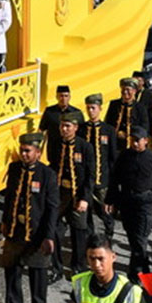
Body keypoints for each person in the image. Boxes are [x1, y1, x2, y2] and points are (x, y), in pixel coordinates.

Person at [0, 133, 59, 303]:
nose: (23, 154)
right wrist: (5, 220)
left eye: (27, 151)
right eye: (22, 150)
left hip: (37, 234)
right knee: (12, 270)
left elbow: (52, 207)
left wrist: (48, 236)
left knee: (38, 273)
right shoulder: (14, 169)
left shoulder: (47, 175)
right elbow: (9, 197)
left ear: (38, 153)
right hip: (15, 230)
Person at [105, 126, 152, 282]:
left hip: (144, 203)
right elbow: (114, 179)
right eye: (132, 140)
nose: (134, 144)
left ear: (146, 141)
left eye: (138, 140)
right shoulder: (124, 156)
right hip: (126, 201)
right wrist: (110, 199)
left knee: (140, 239)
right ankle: (144, 269)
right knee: (133, 238)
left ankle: (134, 275)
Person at [71, 234, 150, 303]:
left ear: (113, 257)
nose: (96, 265)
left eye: (101, 259)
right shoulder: (80, 284)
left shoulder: (133, 292)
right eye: (92, 258)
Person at [47, 111, 95, 278]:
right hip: (59, 196)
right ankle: (56, 268)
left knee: (79, 233)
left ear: (75, 127)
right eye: (62, 126)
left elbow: (90, 175)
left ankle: (78, 266)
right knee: (54, 231)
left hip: (77, 196)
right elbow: (52, 167)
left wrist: (85, 198)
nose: (64, 129)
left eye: (68, 126)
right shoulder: (55, 143)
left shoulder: (85, 147)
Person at [80, 94, 117, 241]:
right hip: (86, 179)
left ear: (100, 109)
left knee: (103, 210)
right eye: (88, 108)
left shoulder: (108, 130)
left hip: (102, 178)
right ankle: (90, 237)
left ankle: (109, 232)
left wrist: (113, 179)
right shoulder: (82, 129)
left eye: (93, 108)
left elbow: (112, 156)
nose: (91, 111)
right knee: (87, 210)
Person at [104, 78, 148, 152]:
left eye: (128, 89)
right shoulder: (114, 105)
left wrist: (129, 135)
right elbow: (108, 122)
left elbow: (144, 127)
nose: (125, 92)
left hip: (133, 144)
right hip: (116, 145)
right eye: (123, 89)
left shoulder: (140, 108)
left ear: (134, 91)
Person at [40, 85, 82, 150]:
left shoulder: (76, 113)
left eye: (66, 96)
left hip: (72, 147)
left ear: (69, 97)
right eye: (61, 96)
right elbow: (42, 130)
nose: (64, 99)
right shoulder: (49, 111)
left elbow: (82, 132)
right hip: (54, 147)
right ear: (57, 97)